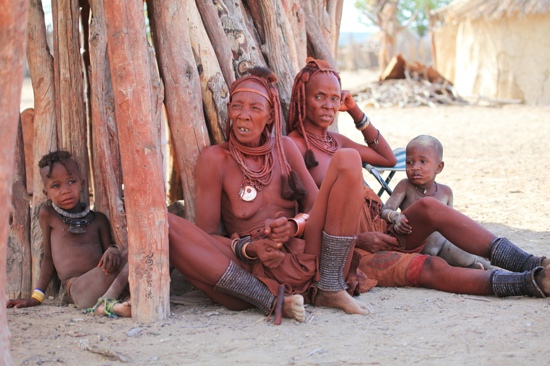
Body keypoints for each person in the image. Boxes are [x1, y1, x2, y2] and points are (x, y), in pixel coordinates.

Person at [287, 58, 550, 298]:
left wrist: (355, 111)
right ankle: (530, 282)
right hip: (348, 250)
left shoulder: (337, 141)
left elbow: (388, 159)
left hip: (381, 229)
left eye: (334, 99)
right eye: (319, 96)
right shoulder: (294, 146)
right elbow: (312, 212)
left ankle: (527, 261)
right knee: (431, 266)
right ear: (302, 98)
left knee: (429, 206)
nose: (329, 106)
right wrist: (358, 240)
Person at [168, 66, 373, 324]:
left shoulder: (284, 148)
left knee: (349, 158)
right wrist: (249, 249)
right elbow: (207, 237)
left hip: (304, 254)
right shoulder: (215, 159)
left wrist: (293, 225)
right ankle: (270, 301)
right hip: (248, 267)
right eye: (237, 107)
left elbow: (313, 205)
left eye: (255, 108)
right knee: (165, 223)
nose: (243, 116)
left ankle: (331, 287)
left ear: (270, 115)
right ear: (229, 110)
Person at [7, 151, 131, 318]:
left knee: (141, 253)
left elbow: (109, 250)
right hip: (79, 288)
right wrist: (36, 297)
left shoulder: (98, 220)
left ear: (82, 183)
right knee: (135, 255)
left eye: (71, 182)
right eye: (56, 186)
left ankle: (115, 306)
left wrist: (113, 250)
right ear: (46, 193)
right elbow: (48, 257)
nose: (65, 191)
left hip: (104, 279)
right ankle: (108, 302)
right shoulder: (48, 215)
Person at [381, 134, 493, 269]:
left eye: (422, 162)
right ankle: (474, 266)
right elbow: (385, 210)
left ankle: (485, 265)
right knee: (443, 264)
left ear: (439, 167)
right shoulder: (405, 186)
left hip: (442, 247)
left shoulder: (446, 192)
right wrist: (395, 217)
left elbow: (453, 225)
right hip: (415, 248)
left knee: (464, 256)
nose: (415, 167)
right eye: (409, 162)